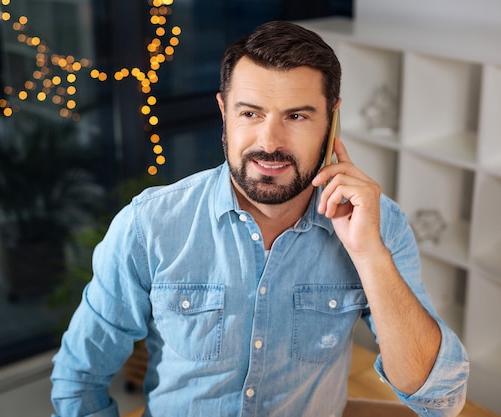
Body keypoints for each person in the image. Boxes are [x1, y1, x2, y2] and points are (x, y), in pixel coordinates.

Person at [50, 21, 469, 417]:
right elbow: (79, 379)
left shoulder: (378, 224)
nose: (270, 143)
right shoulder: (149, 224)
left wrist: (369, 254)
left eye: (297, 116)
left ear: (332, 119)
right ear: (224, 112)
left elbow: (439, 398)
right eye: (250, 113)